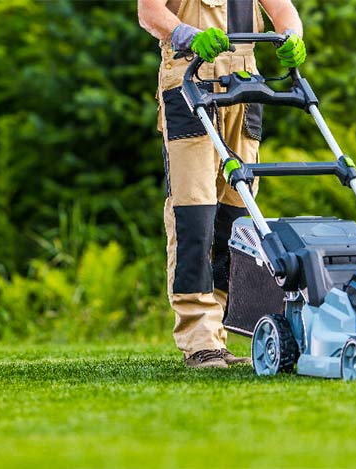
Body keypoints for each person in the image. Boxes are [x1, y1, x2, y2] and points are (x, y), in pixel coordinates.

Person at [137, 0, 306, 368]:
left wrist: (292, 35)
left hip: (243, 87)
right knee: (194, 214)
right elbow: (149, 12)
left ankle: (221, 334)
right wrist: (188, 36)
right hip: (189, 80)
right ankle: (199, 337)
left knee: (237, 217)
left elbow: (283, 11)